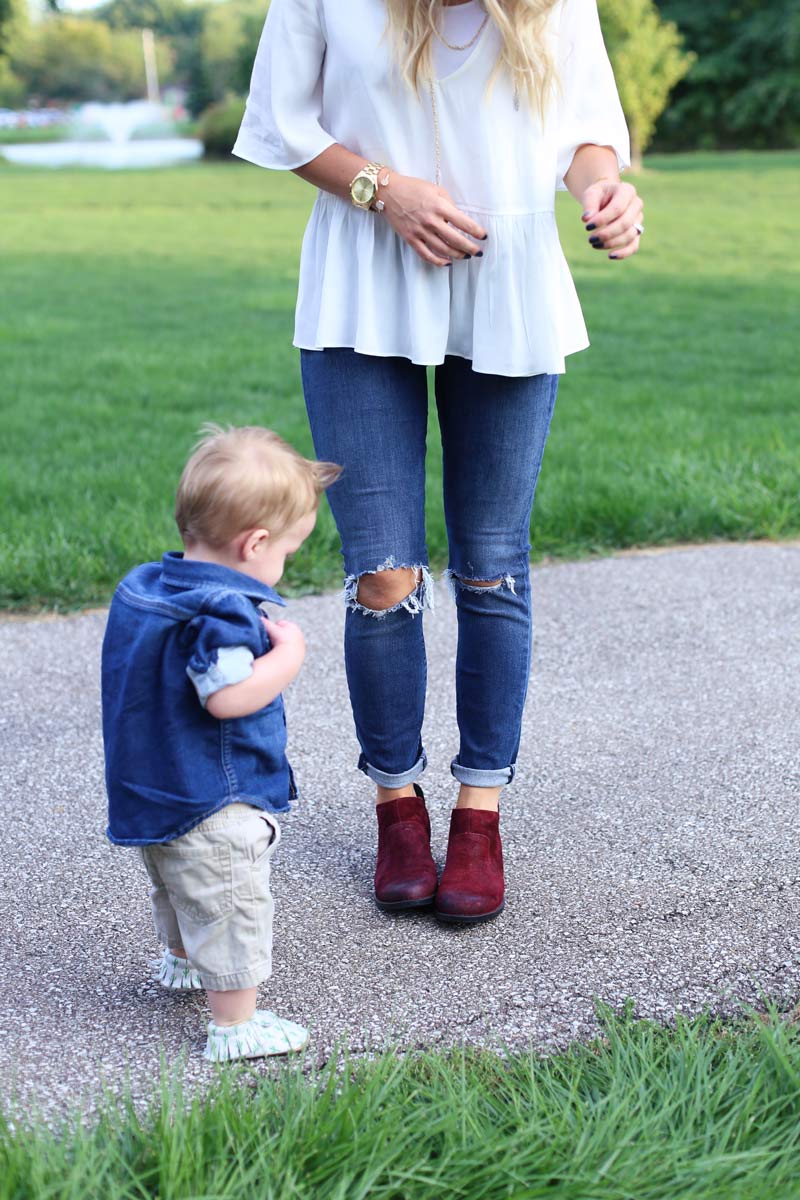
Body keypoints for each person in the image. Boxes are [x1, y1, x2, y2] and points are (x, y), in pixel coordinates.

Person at [233, 0, 644, 925]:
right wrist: (385, 190)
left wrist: (604, 191)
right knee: (382, 576)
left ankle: (480, 815)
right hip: (362, 275)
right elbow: (283, 123)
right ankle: (397, 806)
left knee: (492, 569)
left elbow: (587, 132)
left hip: (508, 278)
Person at [101, 426, 340, 1061]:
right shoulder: (223, 612)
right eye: (287, 550)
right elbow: (228, 696)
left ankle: (182, 961)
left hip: (152, 785)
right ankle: (236, 1025)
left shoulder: (144, 587)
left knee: (178, 883)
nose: (283, 563)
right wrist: (289, 654)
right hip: (213, 798)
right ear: (254, 543)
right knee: (229, 901)